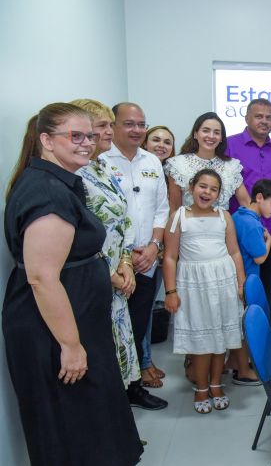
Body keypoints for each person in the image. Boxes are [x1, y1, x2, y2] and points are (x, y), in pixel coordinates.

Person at [4, 103, 143, 465]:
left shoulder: (62, 181)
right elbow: (42, 278)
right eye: (75, 136)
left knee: (92, 422)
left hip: (76, 319)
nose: (87, 143)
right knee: (73, 428)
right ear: (46, 140)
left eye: (90, 136)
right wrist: (71, 346)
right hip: (55, 331)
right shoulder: (48, 192)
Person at [100, 102, 169, 410]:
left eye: (142, 124)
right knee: (111, 331)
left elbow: (162, 209)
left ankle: (134, 388)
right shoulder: (98, 161)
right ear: (113, 126)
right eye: (129, 124)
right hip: (114, 264)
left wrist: (155, 245)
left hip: (148, 258)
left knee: (138, 325)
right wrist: (124, 257)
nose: (137, 130)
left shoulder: (152, 160)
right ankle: (112, 393)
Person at [163, 169, 247, 414]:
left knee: (220, 337)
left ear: (219, 195)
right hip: (194, 286)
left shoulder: (224, 216)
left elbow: (234, 253)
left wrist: (241, 284)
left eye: (213, 189)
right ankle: (201, 387)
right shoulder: (179, 216)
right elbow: (169, 257)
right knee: (201, 341)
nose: (207, 192)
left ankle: (216, 383)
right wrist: (170, 291)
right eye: (202, 186)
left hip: (223, 283)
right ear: (191, 187)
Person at [72, 99, 140, 389]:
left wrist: (125, 264)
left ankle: (121, 420)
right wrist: (111, 275)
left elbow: (122, 220)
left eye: (111, 124)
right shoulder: (75, 174)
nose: (109, 131)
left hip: (117, 276)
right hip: (96, 279)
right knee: (100, 357)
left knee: (119, 348)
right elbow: (80, 235)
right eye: (102, 125)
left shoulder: (102, 166)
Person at [226, 98, 271, 296]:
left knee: (267, 289)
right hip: (238, 234)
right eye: (259, 116)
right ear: (247, 118)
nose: (264, 121)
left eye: (269, 117)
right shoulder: (229, 146)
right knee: (238, 289)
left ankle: (266, 326)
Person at [139, 125, 175, 388]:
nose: (161, 145)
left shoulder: (168, 174)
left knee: (148, 307)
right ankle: (142, 364)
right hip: (142, 251)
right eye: (156, 140)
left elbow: (167, 212)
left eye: (167, 142)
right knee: (141, 310)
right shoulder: (139, 170)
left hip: (160, 250)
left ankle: (146, 360)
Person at [166, 112, 250, 211]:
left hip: (223, 224)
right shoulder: (178, 165)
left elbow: (246, 203)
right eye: (206, 131)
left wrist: (257, 225)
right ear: (195, 134)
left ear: (221, 138)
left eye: (217, 132)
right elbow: (174, 209)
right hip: (187, 224)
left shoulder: (231, 166)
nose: (211, 136)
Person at [232, 179, 271, 278]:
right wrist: (269, 240)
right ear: (259, 197)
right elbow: (260, 259)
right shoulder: (254, 225)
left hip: (235, 275)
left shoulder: (237, 214)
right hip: (248, 277)